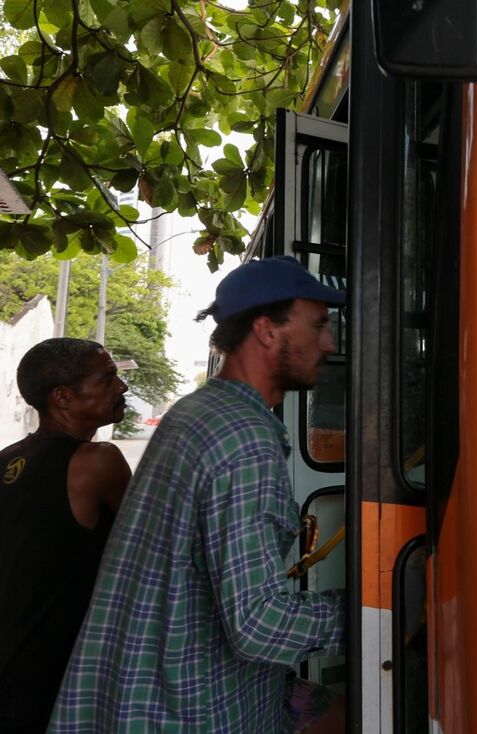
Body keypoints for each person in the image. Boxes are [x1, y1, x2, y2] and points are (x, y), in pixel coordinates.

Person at [49, 256, 346, 733]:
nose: (329, 343)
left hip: (141, 689)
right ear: (267, 330)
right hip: (188, 707)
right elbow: (258, 624)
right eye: (318, 326)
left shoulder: (199, 410)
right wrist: (376, 611)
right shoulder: (244, 438)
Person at [0, 338, 131, 733]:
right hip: (54, 675)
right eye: (107, 379)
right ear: (63, 397)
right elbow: (155, 544)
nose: (121, 388)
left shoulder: (6, 458)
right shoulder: (97, 461)